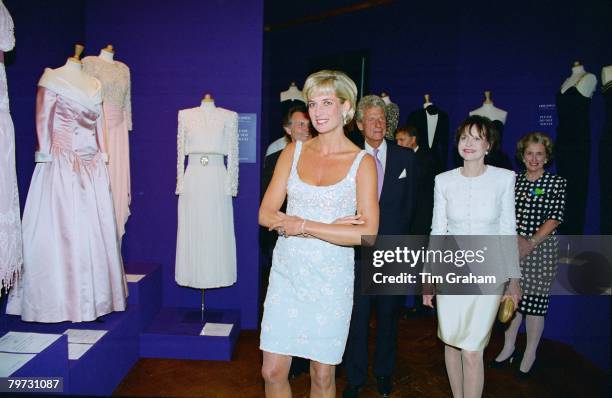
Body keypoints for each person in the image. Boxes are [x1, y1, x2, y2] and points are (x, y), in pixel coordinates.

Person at [259, 70, 379, 398]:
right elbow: (265, 213)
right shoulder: (293, 151)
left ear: (346, 107)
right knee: (271, 371)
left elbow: (367, 233)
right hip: (288, 273)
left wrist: (303, 225)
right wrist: (334, 228)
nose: (318, 111)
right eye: (313, 104)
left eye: (327, 102)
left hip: (331, 279)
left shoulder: (362, 163)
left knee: (322, 376)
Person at [423, 115, 521, 398]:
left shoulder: (504, 179)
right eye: (464, 137)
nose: (469, 144)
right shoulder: (443, 181)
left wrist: (513, 279)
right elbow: (437, 230)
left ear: (488, 145)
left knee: (473, 350)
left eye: (477, 138)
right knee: (451, 343)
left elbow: (507, 230)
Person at [343, 96, 417, 398]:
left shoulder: (406, 158)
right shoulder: (348, 156)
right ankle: (355, 378)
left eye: (382, 118)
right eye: (371, 118)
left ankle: (384, 373)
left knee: (388, 320)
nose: (378, 123)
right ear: (359, 124)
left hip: (393, 253)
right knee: (356, 322)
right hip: (356, 254)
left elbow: (412, 208)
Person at [492, 132, 566, 377]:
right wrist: (516, 241)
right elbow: (503, 215)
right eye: (529, 154)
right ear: (522, 157)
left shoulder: (556, 183)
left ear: (546, 158)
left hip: (541, 250)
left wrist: (530, 242)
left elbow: (555, 219)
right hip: (512, 247)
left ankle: (530, 352)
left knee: (535, 306)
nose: (534, 159)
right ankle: (509, 347)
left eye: (539, 154)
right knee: (512, 302)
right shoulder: (513, 181)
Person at [259, 104, 313, 378]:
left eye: (307, 124)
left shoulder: (325, 160)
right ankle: (289, 364)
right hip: (285, 244)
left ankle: (310, 360)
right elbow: (267, 209)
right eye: (299, 124)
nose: (304, 129)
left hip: (318, 250)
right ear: (287, 130)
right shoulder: (275, 160)